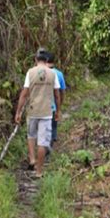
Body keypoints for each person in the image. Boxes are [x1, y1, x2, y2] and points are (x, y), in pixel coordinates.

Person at [15, 48, 60, 178]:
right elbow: (57, 95)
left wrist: (18, 112)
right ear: (46, 61)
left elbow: (24, 94)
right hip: (46, 111)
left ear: (35, 60)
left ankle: (32, 159)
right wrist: (58, 110)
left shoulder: (30, 73)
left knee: (31, 135)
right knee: (43, 142)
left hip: (33, 110)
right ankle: (39, 171)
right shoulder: (52, 74)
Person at [45, 52, 66, 150]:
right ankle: (52, 141)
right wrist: (59, 107)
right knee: (53, 125)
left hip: (41, 106)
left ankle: (45, 148)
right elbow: (62, 92)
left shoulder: (40, 73)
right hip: (53, 106)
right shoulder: (59, 74)